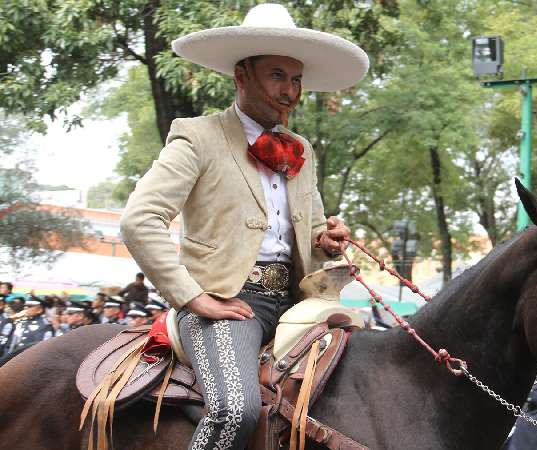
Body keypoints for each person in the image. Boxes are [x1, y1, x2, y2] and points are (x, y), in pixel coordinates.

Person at [118, 4, 368, 448]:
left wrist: (326, 243)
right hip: (225, 301)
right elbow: (140, 220)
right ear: (241, 75)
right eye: (276, 75)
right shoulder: (197, 136)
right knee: (236, 408)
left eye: (295, 80)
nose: (289, 91)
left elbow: (308, 236)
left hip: (295, 301)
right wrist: (194, 297)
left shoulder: (301, 149)